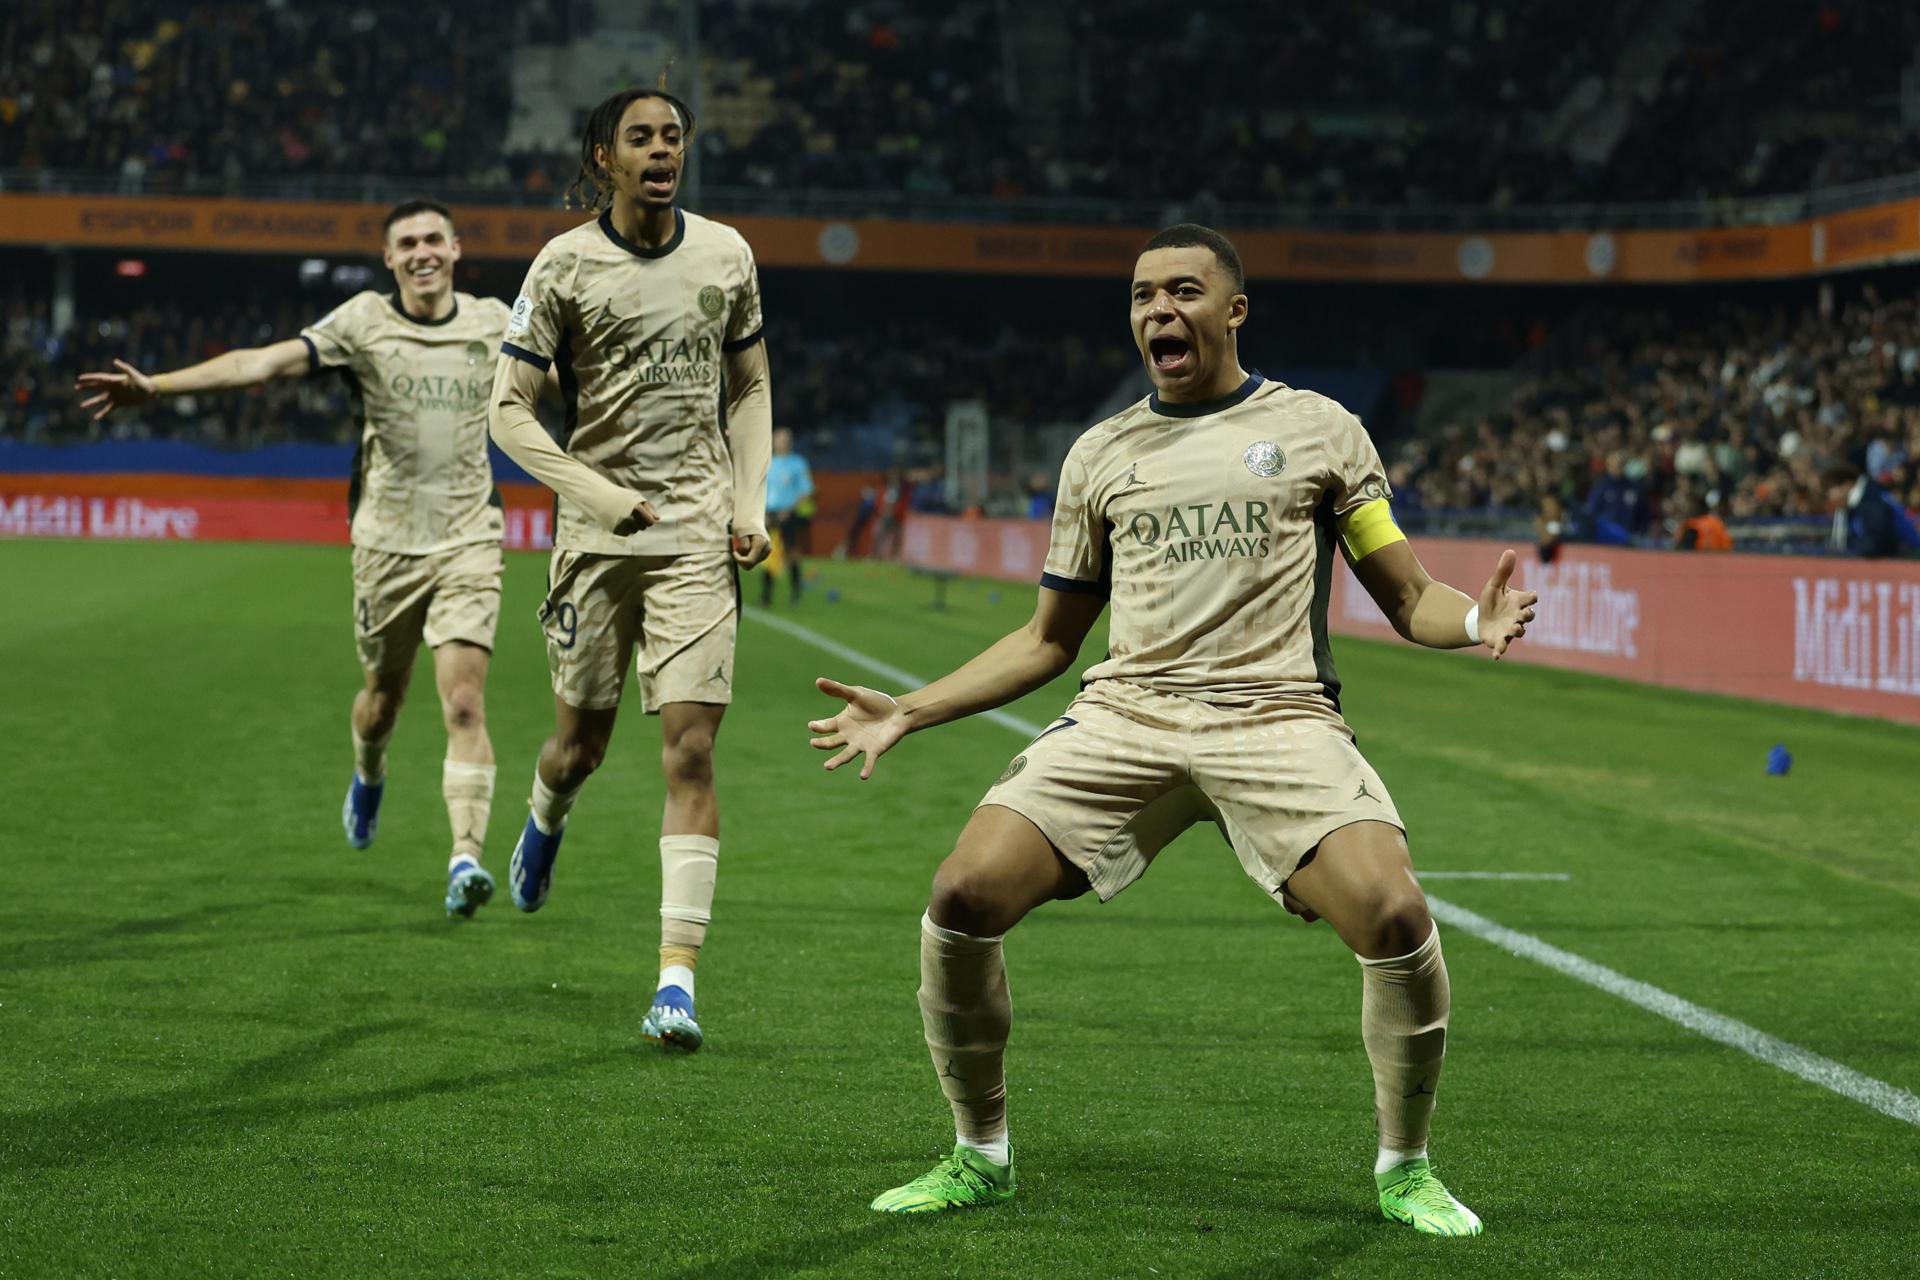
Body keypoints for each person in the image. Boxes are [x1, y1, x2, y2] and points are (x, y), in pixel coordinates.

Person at [808, 225, 1536, 1236]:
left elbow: (1408, 594)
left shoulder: (1321, 430)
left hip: (1276, 715)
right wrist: (913, 708)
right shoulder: (1101, 453)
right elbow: (1048, 638)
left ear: (1234, 310)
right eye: (1143, 294)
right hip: (1127, 715)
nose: (1159, 310)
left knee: (1395, 917)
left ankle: (1405, 1166)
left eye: (1183, 291)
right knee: (962, 895)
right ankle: (979, 1151)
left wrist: (1474, 621)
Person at [77, 200, 515, 921]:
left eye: (434, 238)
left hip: (469, 536)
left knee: (464, 701)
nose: (422, 252)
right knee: (382, 701)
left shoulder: (497, 322)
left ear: (457, 247)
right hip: (384, 544)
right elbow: (263, 362)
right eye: (407, 243)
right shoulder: (363, 323)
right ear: (389, 259)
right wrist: (158, 386)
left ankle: (465, 857)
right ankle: (368, 774)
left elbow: (575, 365)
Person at [489, 86, 773, 1053]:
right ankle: (543, 814)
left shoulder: (726, 254)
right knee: (581, 746)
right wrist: (597, 494)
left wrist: (747, 502)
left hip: (694, 535)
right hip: (598, 539)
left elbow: (750, 387)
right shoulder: (563, 264)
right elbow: (510, 410)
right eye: (642, 138)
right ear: (602, 155)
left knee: (691, 750)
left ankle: (676, 982)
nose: (663, 152)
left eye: (675, 138)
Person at [762, 426, 814, 605]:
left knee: (792, 553)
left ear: (790, 442)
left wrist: (790, 509)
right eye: (778, 439)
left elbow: (806, 490)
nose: (780, 443)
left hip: (788, 514)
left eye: (784, 439)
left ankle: (796, 594)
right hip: (769, 514)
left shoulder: (798, 464)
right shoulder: (767, 462)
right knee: (768, 553)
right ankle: (766, 596)